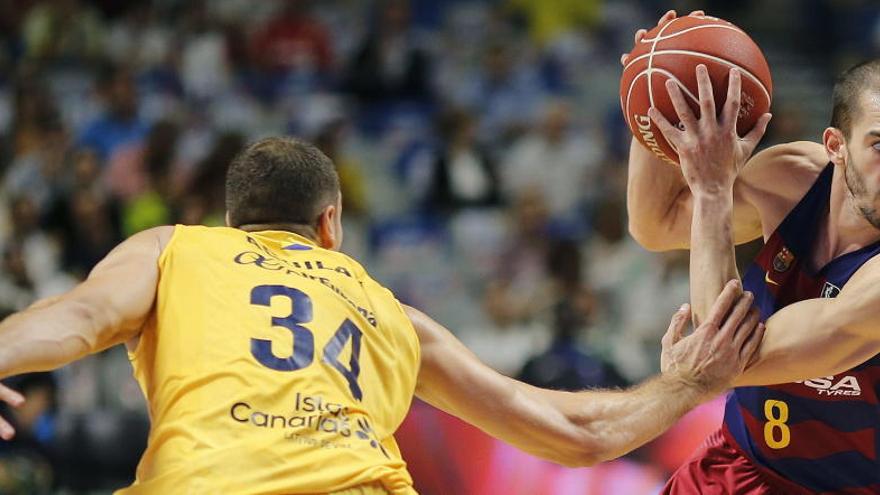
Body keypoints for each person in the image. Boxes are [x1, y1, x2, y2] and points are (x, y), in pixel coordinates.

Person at [0, 137, 763, 494]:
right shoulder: (388, 309)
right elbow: (574, 431)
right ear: (331, 225)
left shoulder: (179, 249)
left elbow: (82, 316)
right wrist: (689, 383)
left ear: (236, 225)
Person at [625, 10, 880, 494]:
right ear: (835, 145)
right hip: (733, 464)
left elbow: (722, 365)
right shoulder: (789, 178)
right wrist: (656, 96)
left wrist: (714, 192)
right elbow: (655, 225)